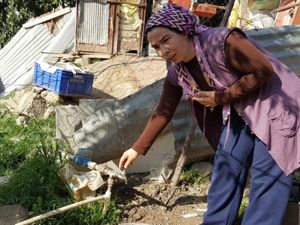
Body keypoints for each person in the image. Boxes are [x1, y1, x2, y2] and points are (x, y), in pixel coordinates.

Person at [119, 3, 300, 225]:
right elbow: (163, 111)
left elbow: (264, 70)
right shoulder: (179, 72)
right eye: (156, 47)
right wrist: (137, 149)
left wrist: (221, 97)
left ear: (184, 30)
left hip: (277, 104)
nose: (163, 51)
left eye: (166, 40)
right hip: (240, 111)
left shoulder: (223, 41)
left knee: (267, 177)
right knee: (226, 168)